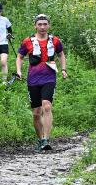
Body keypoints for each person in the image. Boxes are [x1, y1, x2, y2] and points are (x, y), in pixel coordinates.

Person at [15, 13, 67, 151]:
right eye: (40, 24)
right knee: (36, 113)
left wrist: (63, 69)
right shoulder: (28, 41)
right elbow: (19, 57)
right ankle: (40, 140)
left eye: (45, 24)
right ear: (35, 26)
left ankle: (46, 139)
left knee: (47, 106)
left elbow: (61, 54)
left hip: (49, 78)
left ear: (48, 25)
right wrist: (19, 71)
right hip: (33, 80)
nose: (42, 27)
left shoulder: (55, 41)